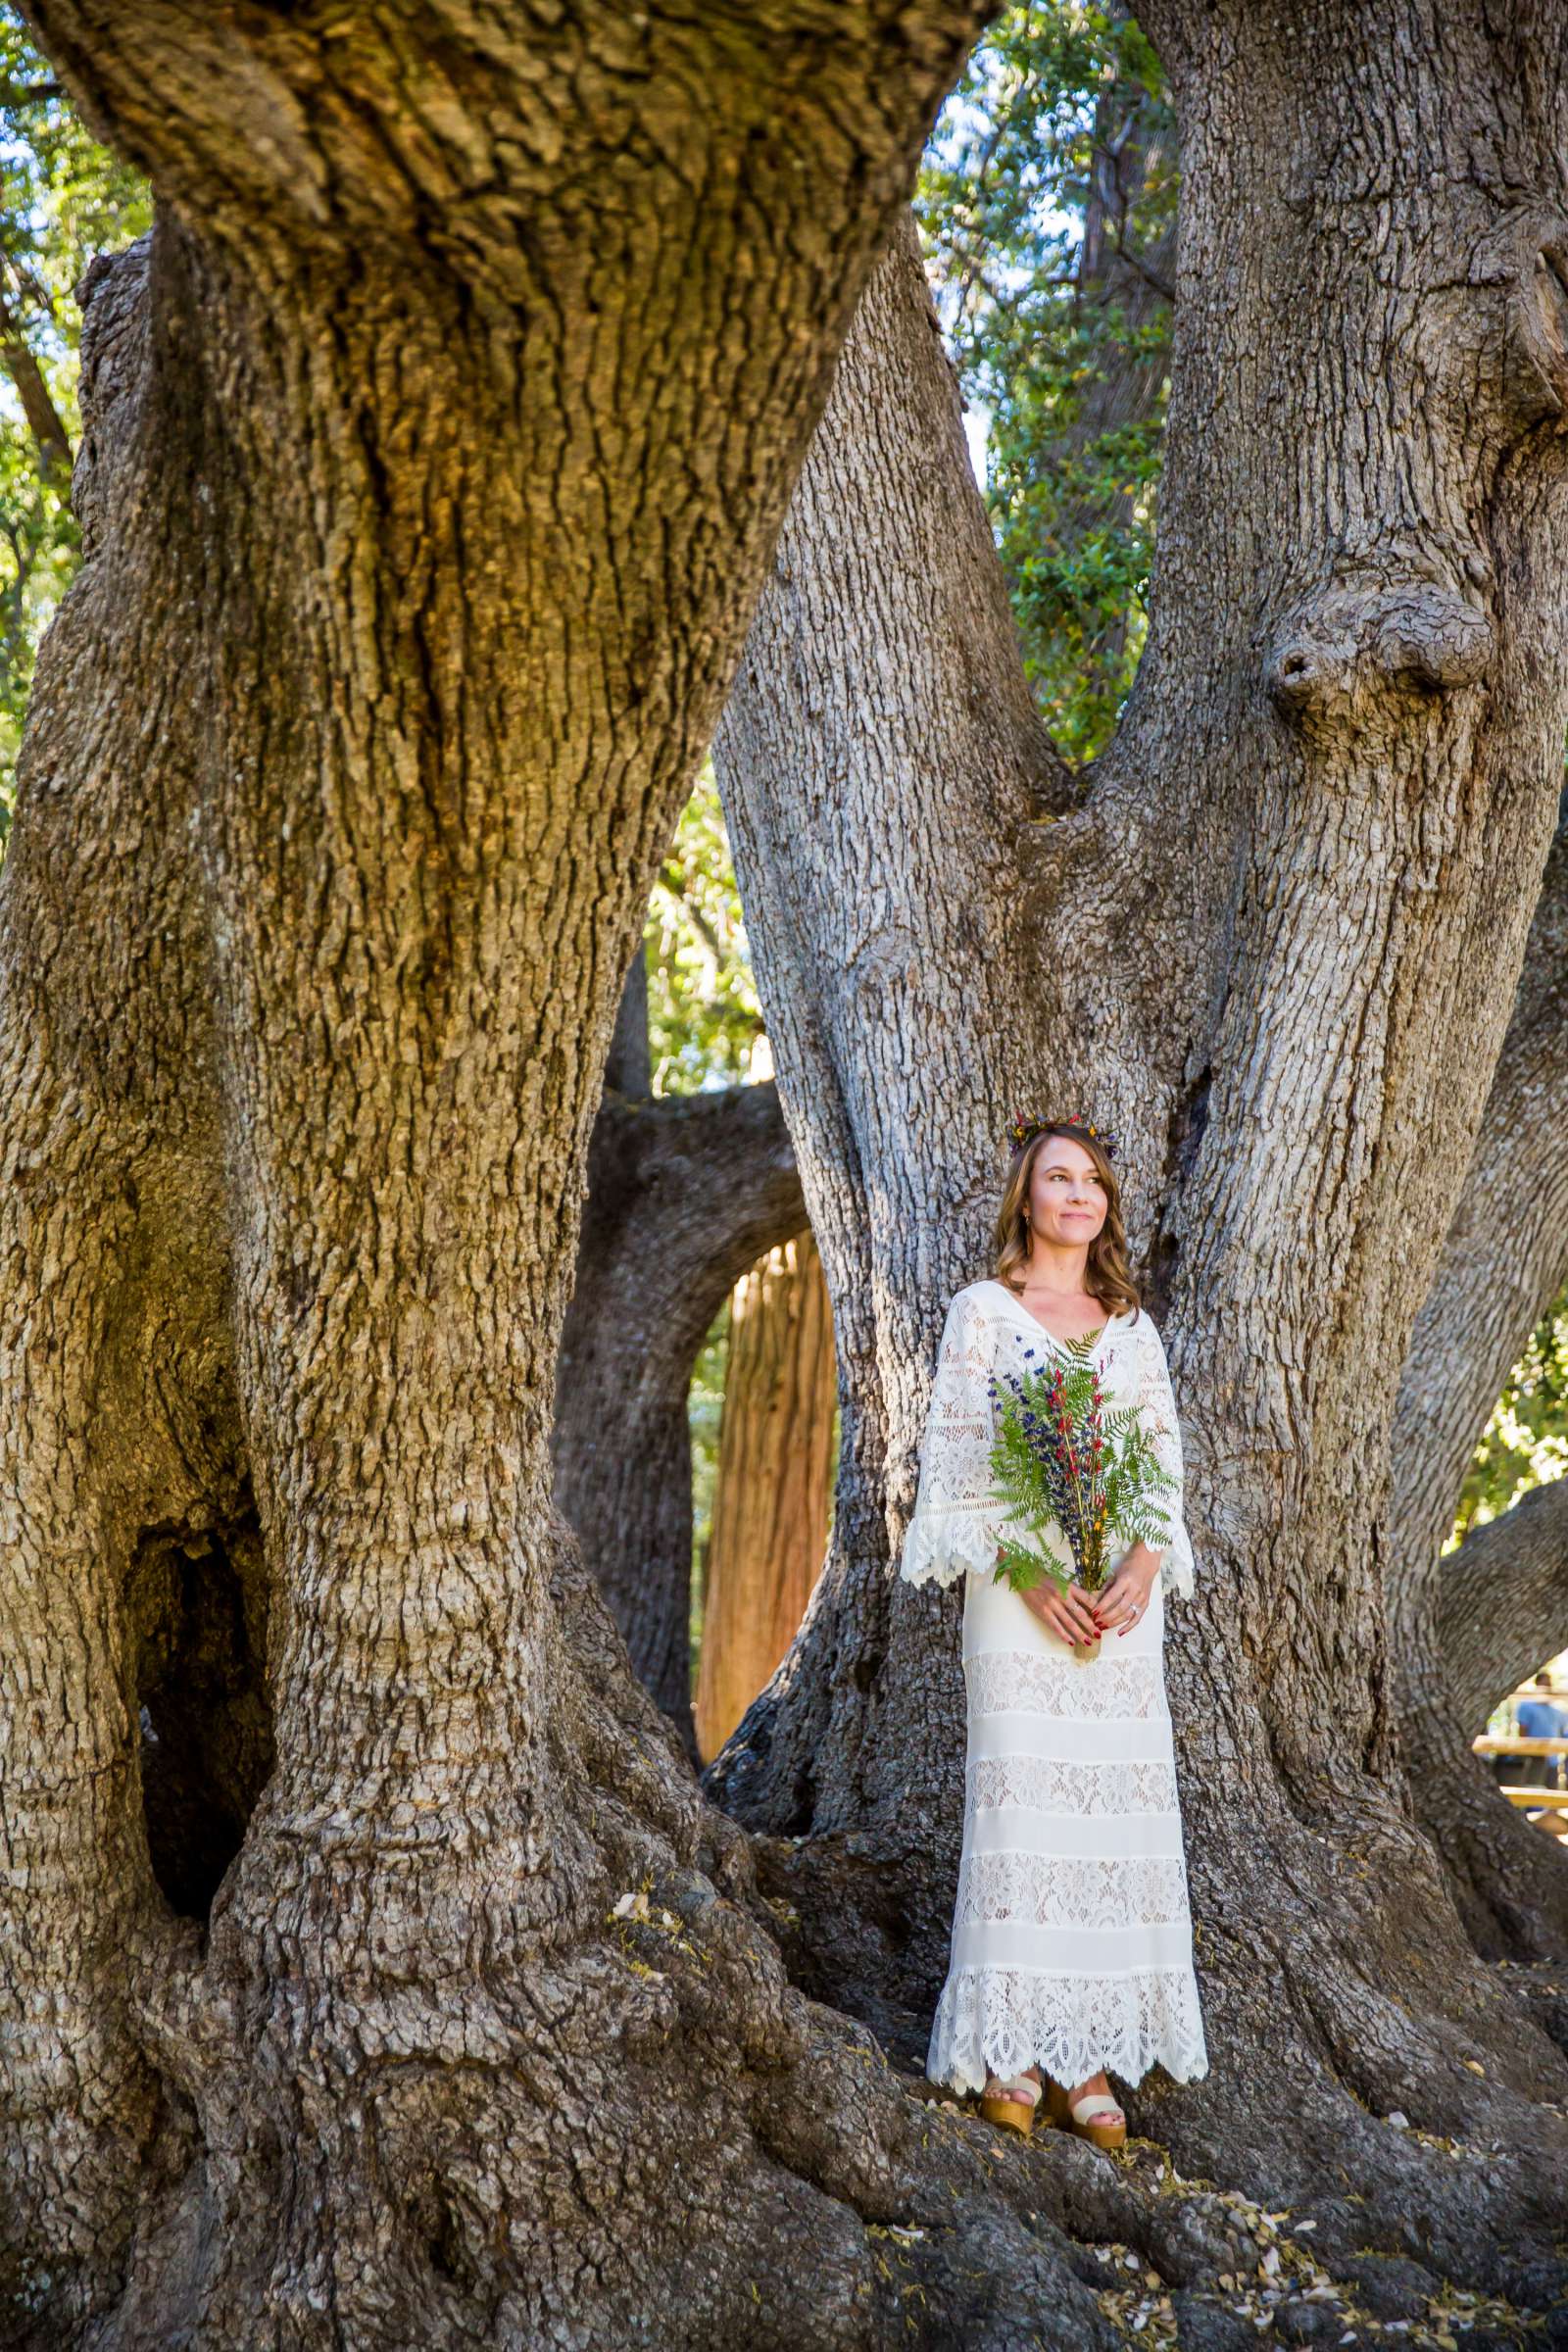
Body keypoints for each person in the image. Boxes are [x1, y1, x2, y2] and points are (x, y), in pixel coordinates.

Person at [899, 1111, 1209, 2147]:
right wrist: (1034, 1578)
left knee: (1112, 1828)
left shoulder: (1129, 1328)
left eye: (1093, 1182)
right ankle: (1015, 2051)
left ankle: (1087, 2061)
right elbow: (957, 1467)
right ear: (1025, 1199)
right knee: (1023, 1817)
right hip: (1015, 1593)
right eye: (1057, 1179)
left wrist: (1135, 1574)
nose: (1079, 1195)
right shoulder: (982, 1314)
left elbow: (1159, 1474)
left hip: (1118, 1612)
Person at [1515, 1670, 1566, 1792]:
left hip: (1553, 1757)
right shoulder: (1526, 1706)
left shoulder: (1558, 1711)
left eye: (1549, 1685)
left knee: (1552, 1791)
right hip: (1534, 1756)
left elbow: (1562, 1733)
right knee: (1532, 1788)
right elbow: (1522, 1730)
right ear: (1537, 1686)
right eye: (1544, 1685)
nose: (1547, 1688)